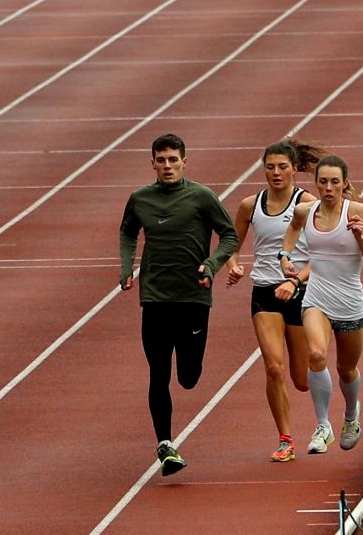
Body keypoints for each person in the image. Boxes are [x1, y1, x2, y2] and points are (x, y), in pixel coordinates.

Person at [118, 133, 239, 477]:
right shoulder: (140, 198)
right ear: (152, 163)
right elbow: (127, 232)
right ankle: (165, 445)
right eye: (162, 160)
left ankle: (188, 373)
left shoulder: (201, 197)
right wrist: (127, 267)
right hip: (155, 298)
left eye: (173, 160)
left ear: (185, 162)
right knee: (158, 372)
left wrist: (212, 265)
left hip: (193, 298)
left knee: (188, 377)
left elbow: (229, 234)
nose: (168, 166)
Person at [224, 138, 325, 463]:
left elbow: (324, 254)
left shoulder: (307, 203)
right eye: (270, 167)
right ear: (263, 169)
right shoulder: (249, 205)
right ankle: (285, 439)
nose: (276, 172)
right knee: (273, 367)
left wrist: (295, 279)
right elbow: (231, 244)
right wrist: (233, 265)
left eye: (282, 167)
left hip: (301, 292)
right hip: (265, 292)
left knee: (301, 379)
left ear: (294, 169)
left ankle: (327, 409)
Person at [282, 153, 363, 454]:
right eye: (322, 182)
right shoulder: (305, 211)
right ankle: (323, 425)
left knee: (346, 370)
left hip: (349, 304)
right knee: (315, 354)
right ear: (315, 183)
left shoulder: (357, 211)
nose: (328, 188)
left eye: (334, 182)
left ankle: (351, 416)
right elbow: (292, 230)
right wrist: (284, 256)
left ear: (344, 183)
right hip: (317, 299)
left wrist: (360, 237)